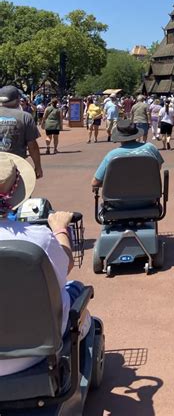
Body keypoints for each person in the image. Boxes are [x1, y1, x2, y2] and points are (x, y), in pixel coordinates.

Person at [0, 151, 90, 376]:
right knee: (76, 290)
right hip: (31, 356)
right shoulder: (39, 237)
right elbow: (65, 265)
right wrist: (60, 229)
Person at [92, 119, 164, 188]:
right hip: (148, 195)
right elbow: (157, 168)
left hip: (118, 197)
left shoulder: (112, 155)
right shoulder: (151, 148)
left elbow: (95, 182)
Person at [0, 85, 43, 178]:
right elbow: (32, 146)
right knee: (16, 191)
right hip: (16, 164)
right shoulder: (25, 117)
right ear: (17, 99)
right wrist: (38, 166)